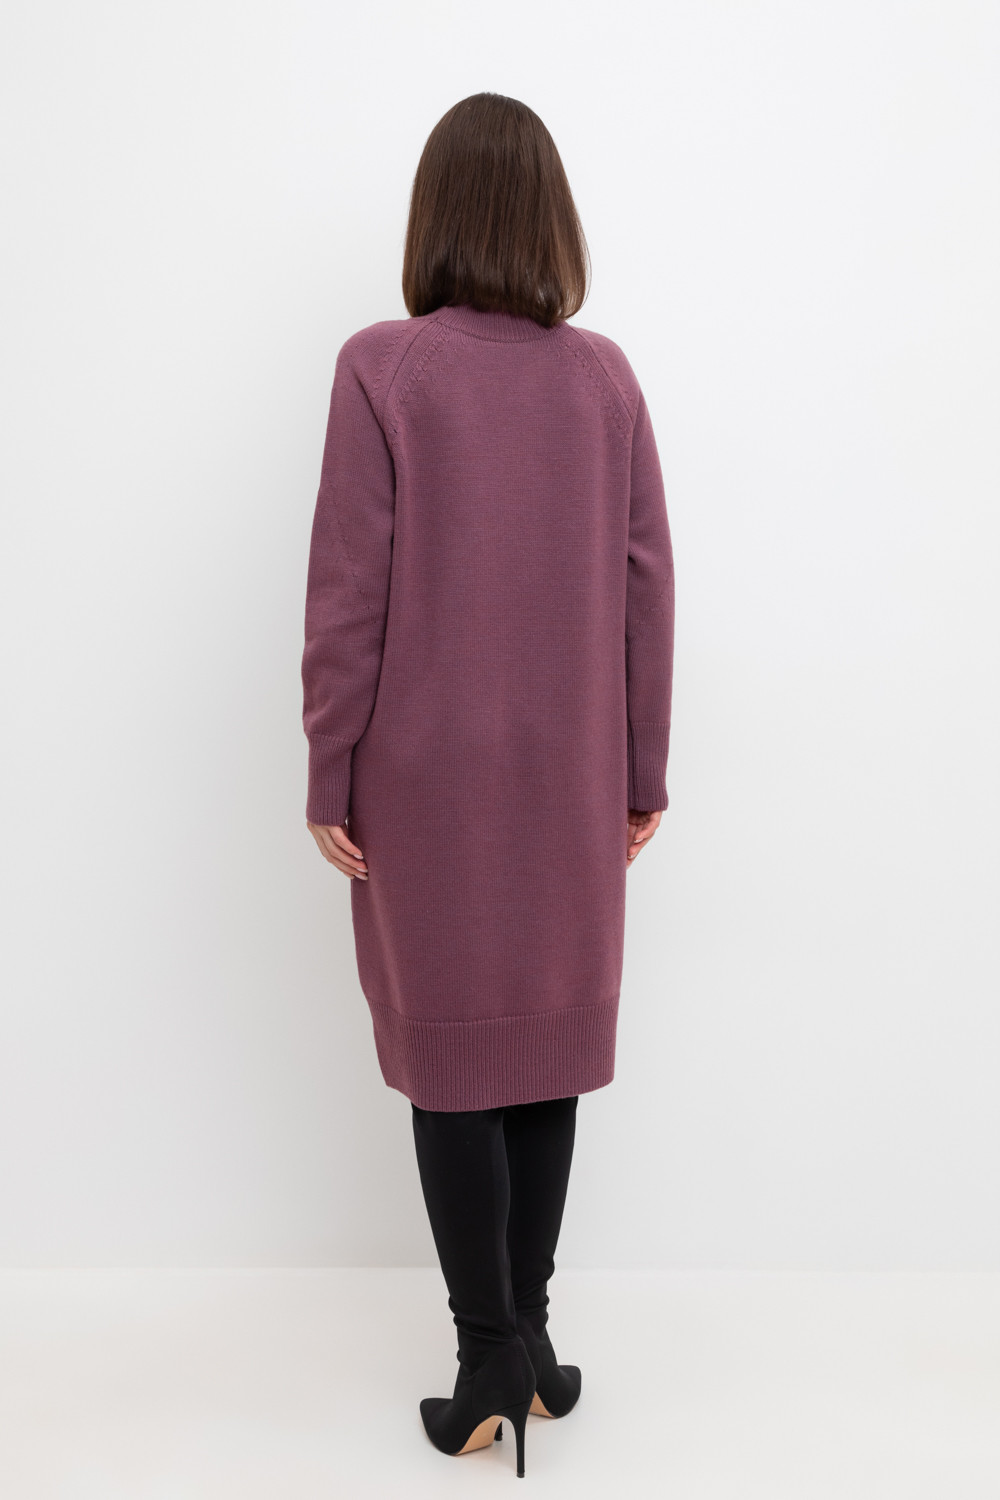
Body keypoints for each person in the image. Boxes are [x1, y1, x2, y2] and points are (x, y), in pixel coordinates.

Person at [301, 92, 675, 1478]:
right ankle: (528, 1341)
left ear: (437, 219)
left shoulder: (383, 369)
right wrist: (642, 766)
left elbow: (349, 589)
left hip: (427, 781)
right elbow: (649, 588)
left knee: (459, 1059)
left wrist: (330, 763)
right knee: (542, 1050)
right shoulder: (604, 382)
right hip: (572, 773)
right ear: (550, 223)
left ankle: (487, 1361)